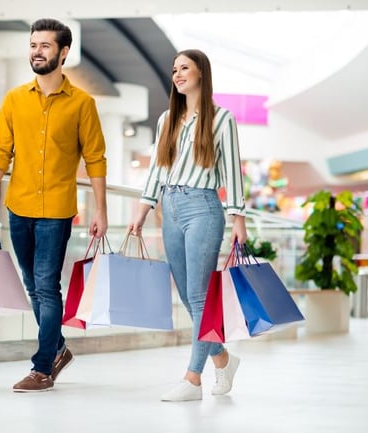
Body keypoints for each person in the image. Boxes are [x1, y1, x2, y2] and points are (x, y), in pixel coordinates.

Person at [0, 18, 108, 393]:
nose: (37, 51)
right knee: (33, 285)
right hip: (19, 206)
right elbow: (1, 152)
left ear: (64, 53)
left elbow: (96, 158)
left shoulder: (82, 103)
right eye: (33, 45)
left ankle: (42, 367)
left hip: (58, 210)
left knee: (47, 286)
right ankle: (59, 349)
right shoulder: (15, 99)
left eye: (45, 46)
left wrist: (102, 210)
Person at [129, 49, 247, 402]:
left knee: (199, 296)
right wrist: (144, 208)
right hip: (171, 207)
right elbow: (157, 169)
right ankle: (223, 359)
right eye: (174, 69)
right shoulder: (168, 119)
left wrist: (237, 217)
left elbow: (231, 172)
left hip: (204, 209)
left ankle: (192, 378)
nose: (177, 74)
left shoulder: (222, 119)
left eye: (185, 68)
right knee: (187, 295)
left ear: (201, 74)